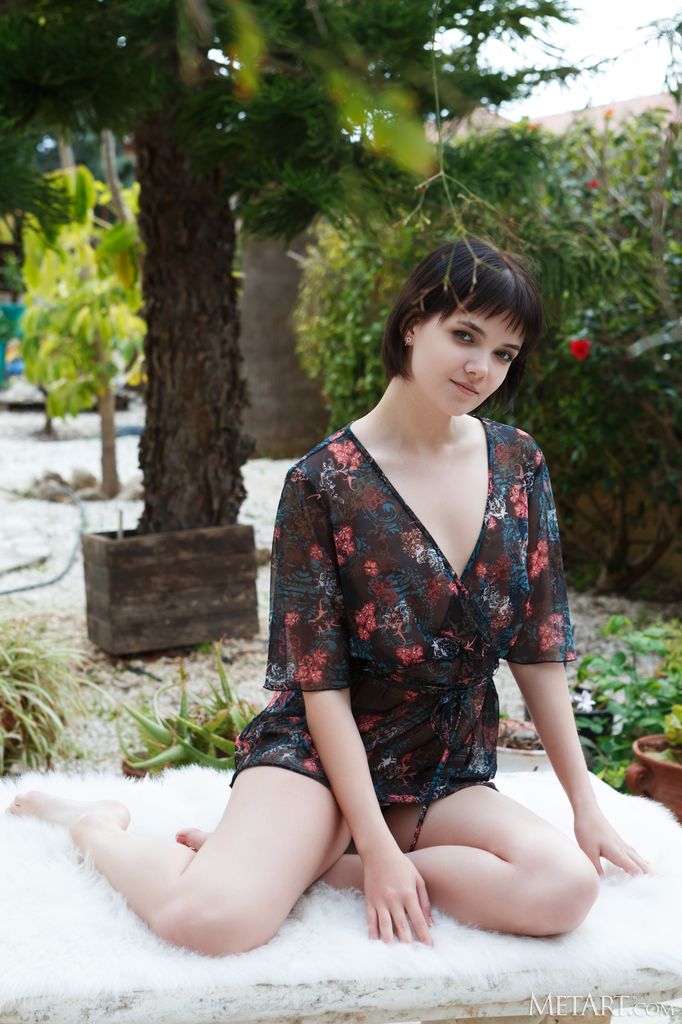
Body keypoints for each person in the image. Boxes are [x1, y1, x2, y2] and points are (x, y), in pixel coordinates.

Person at [6, 237, 650, 958]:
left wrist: (584, 804)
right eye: (465, 335)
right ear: (413, 323)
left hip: (440, 763)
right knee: (210, 921)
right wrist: (375, 847)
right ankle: (96, 825)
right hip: (318, 754)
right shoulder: (322, 482)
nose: (482, 367)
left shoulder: (518, 462)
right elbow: (322, 685)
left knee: (564, 889)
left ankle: (307, 870)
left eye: (504, 353)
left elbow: (538, 647)